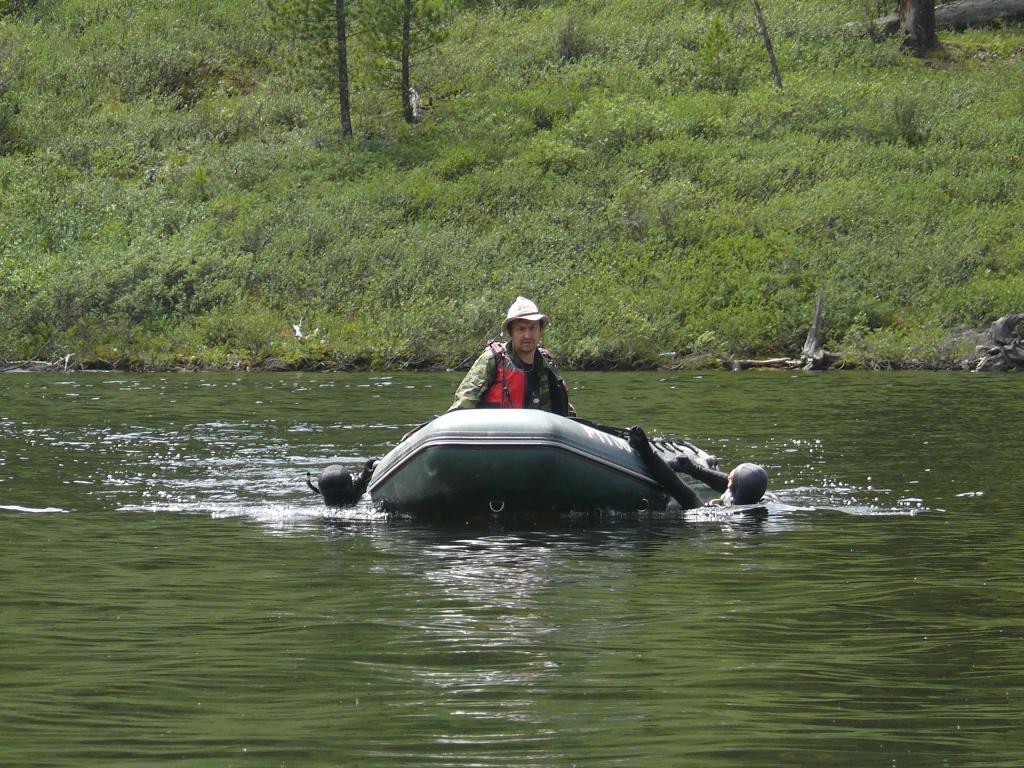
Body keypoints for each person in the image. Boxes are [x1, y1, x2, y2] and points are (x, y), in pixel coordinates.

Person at [449, 296, 574, 416]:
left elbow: (566, 414)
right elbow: (460, 409)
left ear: (540, 330)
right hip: (495, 434)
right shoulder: (491, 361)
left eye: (532, 328)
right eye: (521, 329)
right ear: (510, 332)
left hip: (536, 435)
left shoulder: (547, 364)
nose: (528, 335)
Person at [668, 453, 769, 506]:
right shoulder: (764, 499)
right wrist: (694, 470)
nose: (727, 476)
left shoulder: (721, 511)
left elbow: (685, 496)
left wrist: (652, 455)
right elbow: (738, 486)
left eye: (730, 478)